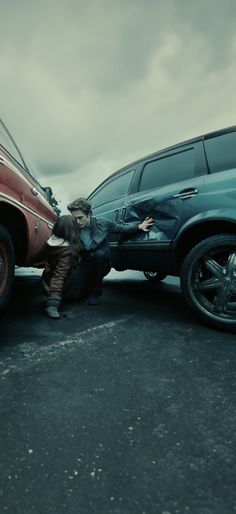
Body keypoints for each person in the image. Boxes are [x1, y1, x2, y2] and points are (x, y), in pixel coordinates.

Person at [67, 198, 153, 305]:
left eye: (80, 218)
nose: (77, 222)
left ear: (89, 214)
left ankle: (97, 292)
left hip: (101, 262)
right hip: (85, 263)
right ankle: (86, 287)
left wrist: (139, 226)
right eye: (74, 218)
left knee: (98, 255)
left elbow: (121, 228)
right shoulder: (73, 228)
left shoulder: (102, 223)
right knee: (72, 296)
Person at [42, 215, 81, 318]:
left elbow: (36, 257)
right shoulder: (67, 252)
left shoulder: (49, 241)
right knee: (78, 295)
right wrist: (53, 304)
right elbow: (59, 276)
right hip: (57, 286)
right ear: (73, 231)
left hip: (46, 280)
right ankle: (56, 299)